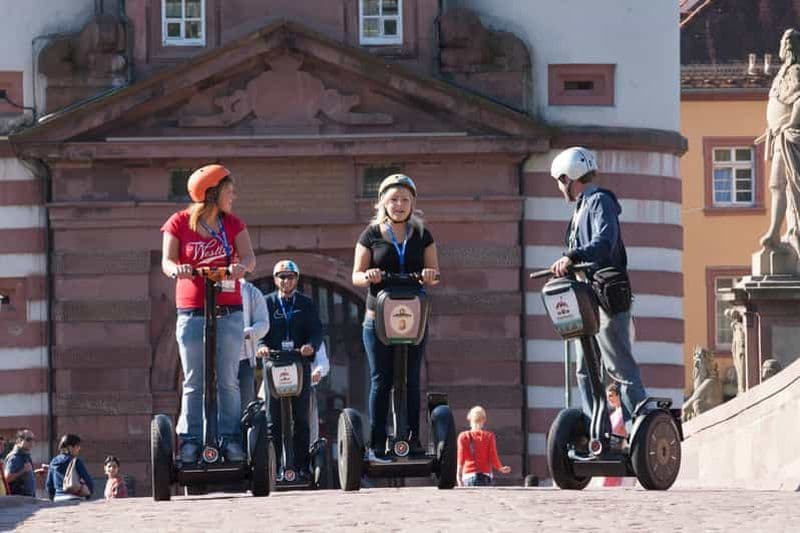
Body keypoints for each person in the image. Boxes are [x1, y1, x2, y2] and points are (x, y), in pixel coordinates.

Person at [161, 164, 256, 463]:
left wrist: (243, 267)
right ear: (212, 193)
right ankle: (190, 440)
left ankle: (229, 439)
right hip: (192, 309)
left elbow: (250, 258)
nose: (234, 196)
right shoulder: (178, 223)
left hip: (228, 309)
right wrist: (178, 268)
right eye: (229, 191)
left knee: (227, 379)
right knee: (193, 379)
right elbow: (167, 260)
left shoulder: (234, 224)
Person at [548, 147, 647, 427]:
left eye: (559, 181)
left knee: (618, 366)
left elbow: (605, 243)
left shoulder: (599, 201)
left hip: (605, 295)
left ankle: (637, 424)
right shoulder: (581, 208)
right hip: (585, 298)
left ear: (569, 177)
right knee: (585, 369)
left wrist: (573, 256)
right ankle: (598, 431)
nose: (559, 188)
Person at [352, 174, 440, 462]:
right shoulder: (371, 235)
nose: (399, 205)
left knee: (412, 379)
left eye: (405, 199)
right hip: (377, 317)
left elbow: (434, 273)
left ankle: (412, 440)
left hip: (412, 317)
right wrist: (368, 276)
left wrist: (429, 275)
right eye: (393, 199)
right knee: (382, 380)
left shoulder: (423, 235)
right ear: (382, 203)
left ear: (413, 202)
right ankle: (377, 445)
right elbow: (355, 275)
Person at [257, 260, 323, 481]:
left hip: (299, 362)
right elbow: (260, 330)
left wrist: (310, 346)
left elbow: (316, 331)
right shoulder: (266, 303)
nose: (286, 281)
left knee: (300, 418)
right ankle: (276, 467)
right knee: (273, 419)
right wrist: (261, 347)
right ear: (275, 279)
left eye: (291, 277)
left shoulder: (306, 304)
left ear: (297, 279)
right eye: (282, 277)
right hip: (273, 363)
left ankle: (302, 467)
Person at [758, 28, 800, 256]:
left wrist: (791, 124)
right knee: (777, 185)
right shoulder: (784, 72)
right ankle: (776, 232)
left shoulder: (796, 71)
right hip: (778, 137)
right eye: (784, 41)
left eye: (789, 42)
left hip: (790, 138)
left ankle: (787, 231)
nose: (785, 46)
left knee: (789, 186)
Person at [456, 406, 511, 487]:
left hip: (468, 476)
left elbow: (461, 458)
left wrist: (458, 477)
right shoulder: (489, 436)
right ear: (484, 420)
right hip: (485, 476)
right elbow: (493, 456)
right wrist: (500, 468)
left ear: (469, 418)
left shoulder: (463, 436)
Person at [238, 278, 269, 410]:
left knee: (245, 405)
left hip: (244, 358)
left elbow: (263, 323)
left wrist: (248, 332)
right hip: (217, 358)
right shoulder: (213, 288)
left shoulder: (251, 292)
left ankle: (242, 431)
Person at [45, 434, 93, 502]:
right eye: (77, 446)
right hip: (74, 498)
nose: (79, 449)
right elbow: (88, 481)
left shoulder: (53, 462)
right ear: (70, 447)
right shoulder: (76, 461)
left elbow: (49, 485)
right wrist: (88, 494)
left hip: (58, 498)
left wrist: (53, 498)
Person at [602, 383, 626, 487]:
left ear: (618, 395)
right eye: (607, 396)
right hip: (611, 454)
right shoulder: (614, 413)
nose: (608, 399)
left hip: (619, 456)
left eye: (611, 395)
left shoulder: (623, 413)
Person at [3, 429, 37, 497]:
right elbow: (7, 478)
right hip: (19, 501)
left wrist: (35, 473)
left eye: (33, 439)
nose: (31, 442)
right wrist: (23, 470)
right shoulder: (14, 457)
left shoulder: (25, 455)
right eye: (28, 439)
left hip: (28, 499)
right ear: (20, 441)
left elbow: (24, 474)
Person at [309, 340, 331, 444]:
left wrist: (318, 371)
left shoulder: (313, 334)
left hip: (305, 389)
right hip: (277, 390)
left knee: (311, 436)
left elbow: (324, 363)